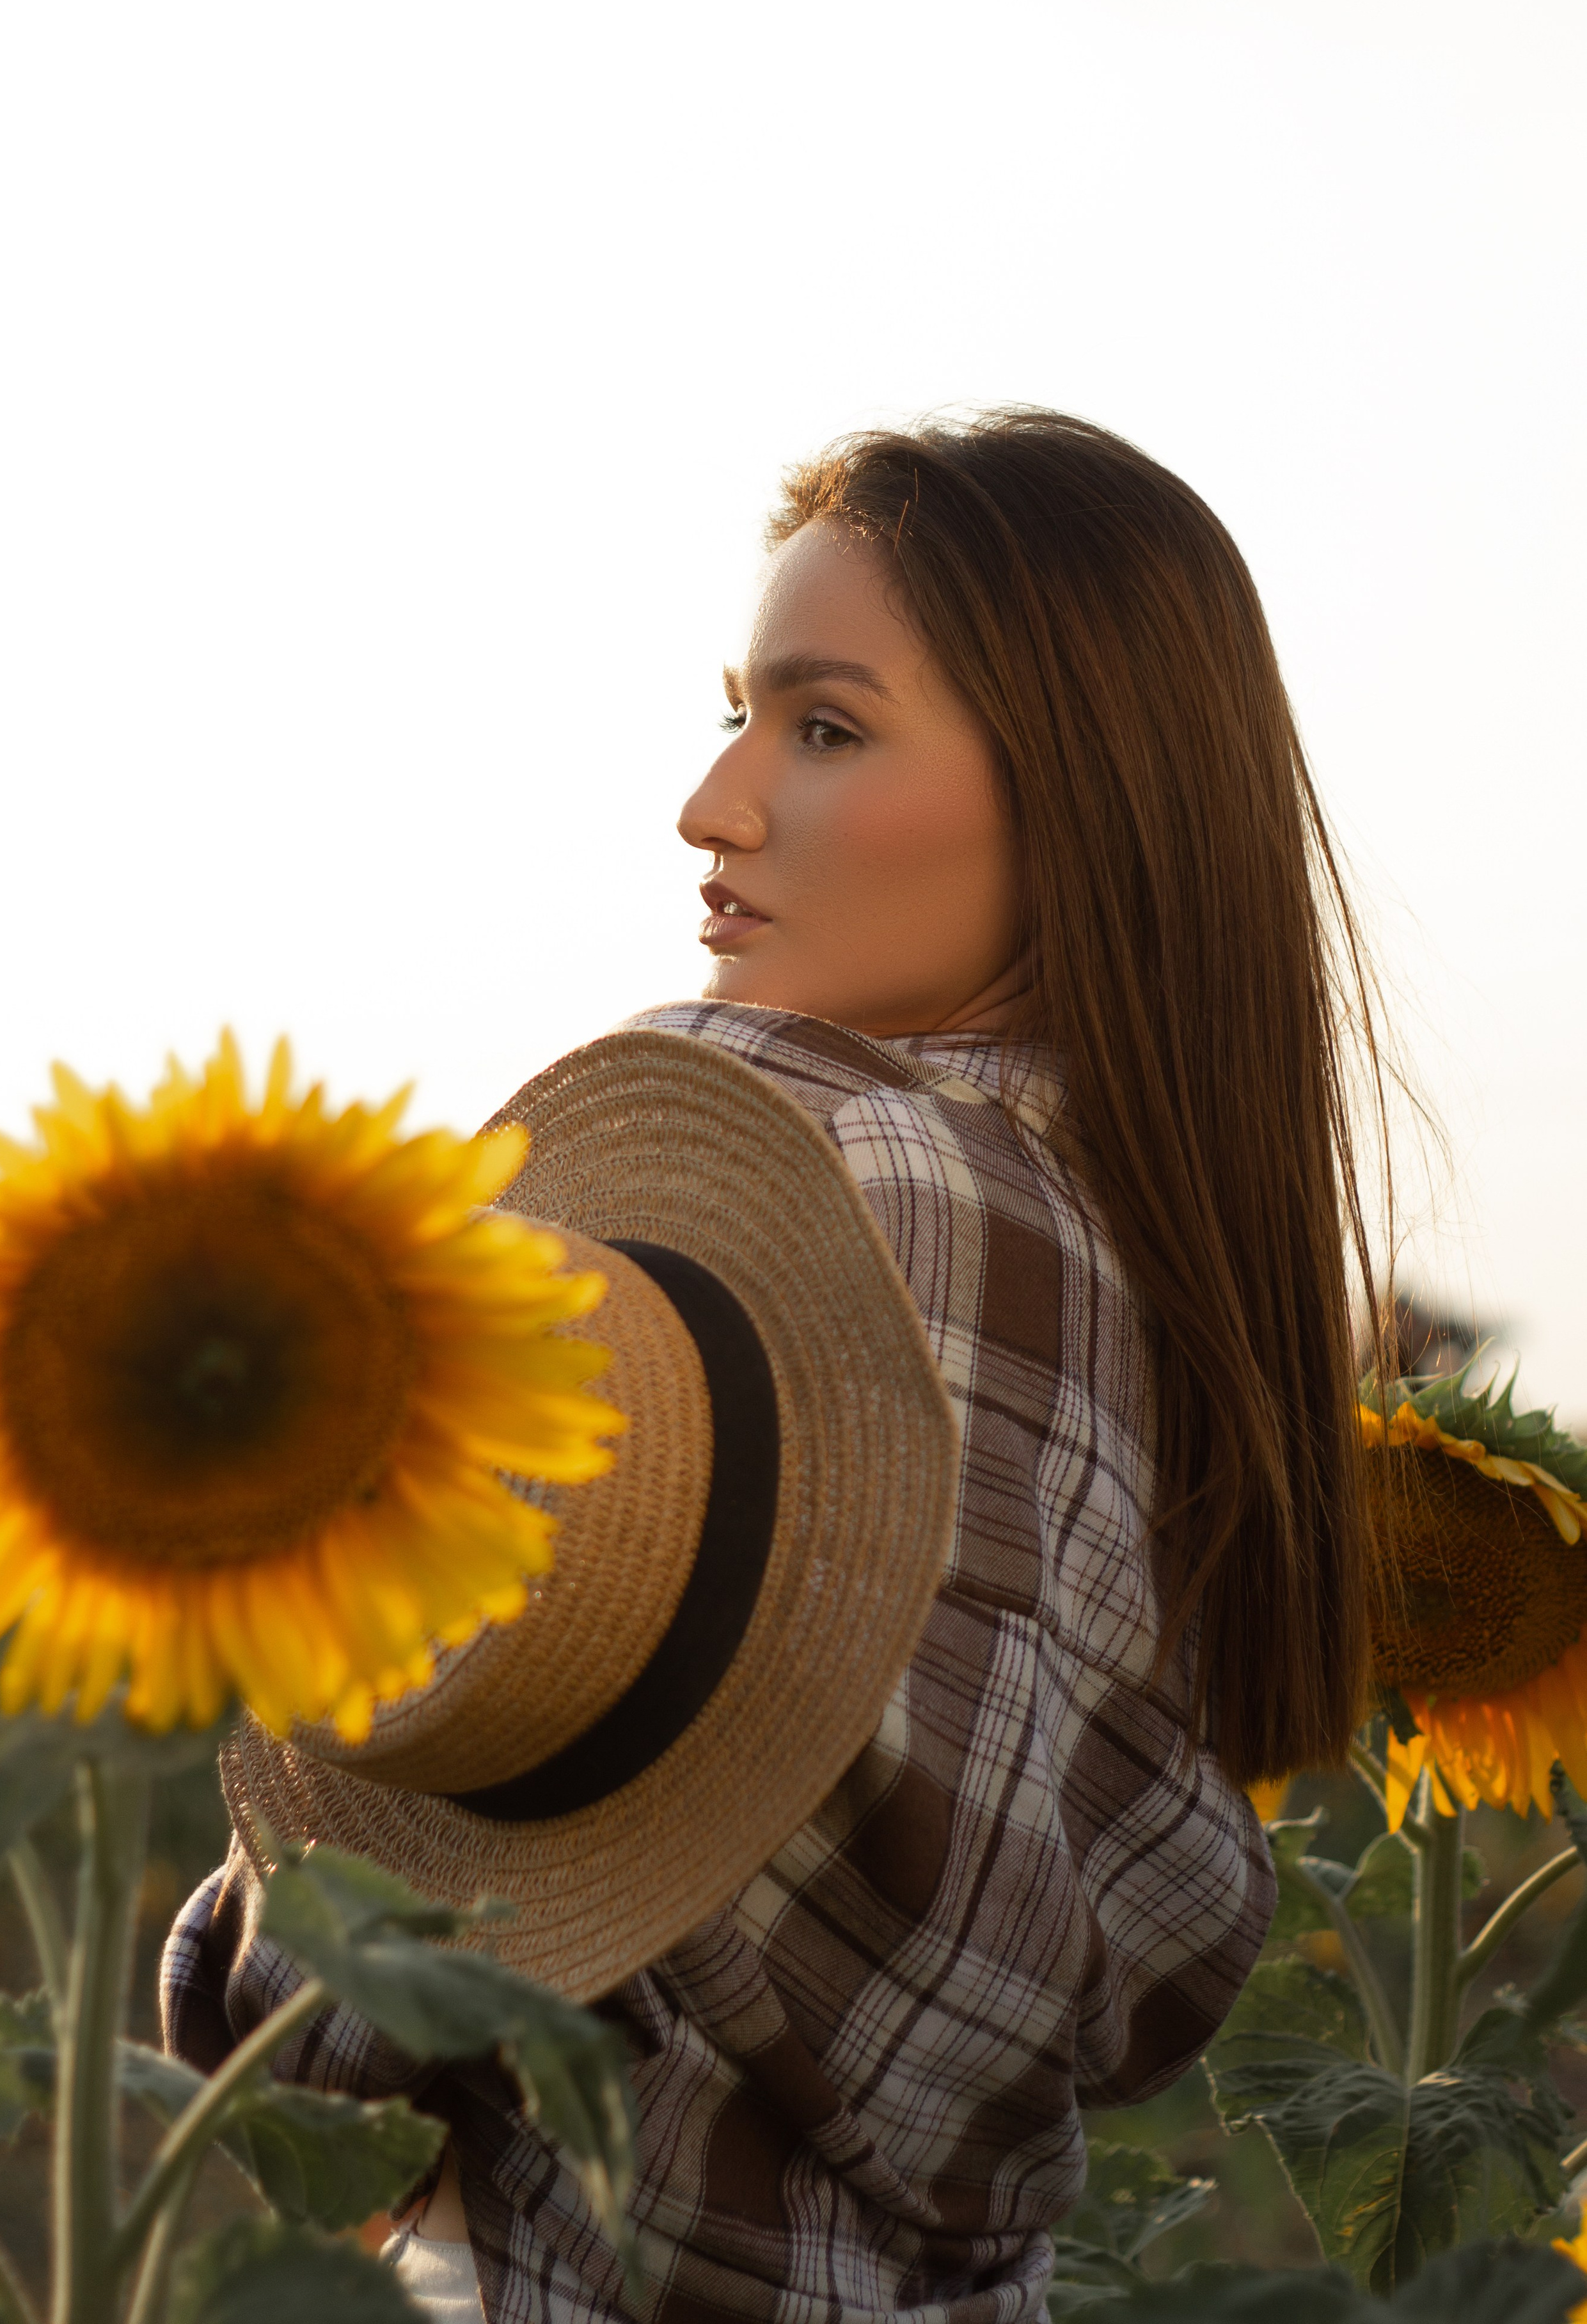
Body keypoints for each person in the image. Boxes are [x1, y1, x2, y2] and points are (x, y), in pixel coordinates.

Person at [164, 408, 1380, 2322]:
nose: (714, 806)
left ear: (1088, 793)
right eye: (736, 713)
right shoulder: (1162, 1275)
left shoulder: (849, 1172)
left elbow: (299, 2025)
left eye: (825, 727)